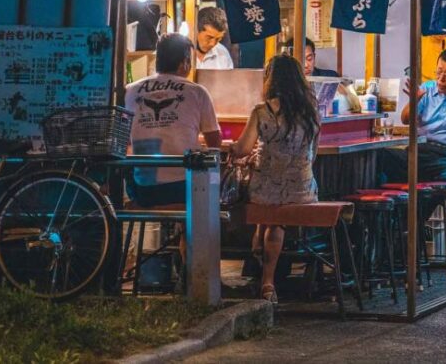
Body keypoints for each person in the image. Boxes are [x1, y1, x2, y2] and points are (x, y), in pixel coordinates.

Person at [230, 55, 320, 304]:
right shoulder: (311, 112)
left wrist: (231, 149)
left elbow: (243, 149)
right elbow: (313, 155)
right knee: (272, 204)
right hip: (303, 191)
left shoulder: (262, 111)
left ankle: (267, 280)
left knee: (269, 208)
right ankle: (260, 249)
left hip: (266, 191)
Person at [125, 34, 222, 207]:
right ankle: (187, 233)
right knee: (211, 185)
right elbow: (214, 141)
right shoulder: (197, 92)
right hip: (183, 188)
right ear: (185, 62)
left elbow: (125, 138)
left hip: (143, 189)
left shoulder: (130, 91)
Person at [380, 49, 446, 186]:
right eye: (439, 72)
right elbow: (405, 120)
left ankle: (420, 207)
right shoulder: (426, 88)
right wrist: (415, 100)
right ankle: (399, 206)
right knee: (380, 158)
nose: (441, 80)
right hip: (419, 150)